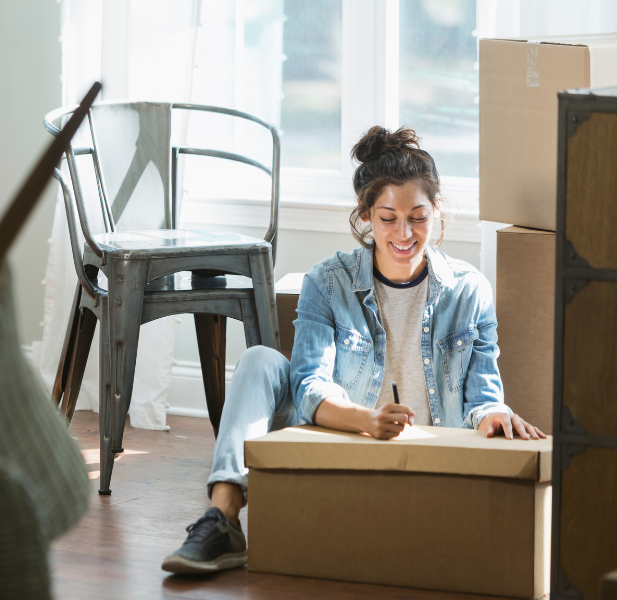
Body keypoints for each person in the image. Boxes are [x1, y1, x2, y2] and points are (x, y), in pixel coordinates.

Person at [160, 126, 546, 575]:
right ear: (365, 215)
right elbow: (308, 386)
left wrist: (494, 414)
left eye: (418, 216)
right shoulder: (328, 281)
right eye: (388, 217)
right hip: (343, 436)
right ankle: (222, 520)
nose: (404, 233)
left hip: (429, 457)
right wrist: (368, 421)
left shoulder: (470, 291)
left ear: (436, 210)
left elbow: (482, 397)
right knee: (260, 360)